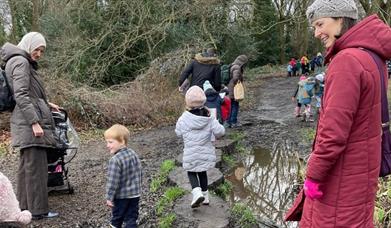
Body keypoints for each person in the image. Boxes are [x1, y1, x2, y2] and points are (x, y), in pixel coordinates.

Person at [286, 0, 391, 227]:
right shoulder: (372, 57)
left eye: (320, 24)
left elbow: (332, 134)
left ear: (340, 20)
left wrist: (313, 176)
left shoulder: (347, 61)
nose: (316, 33)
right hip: (361, 175)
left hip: (340, 179)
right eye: (314, 27)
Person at [0, 32, 60, 220]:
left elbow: (28, 93)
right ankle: (38, 211)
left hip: (25, 120)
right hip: (28, 123)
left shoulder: (18, 61)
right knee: (36, 170)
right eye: (37, 49)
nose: (39, 53)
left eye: (42, 51)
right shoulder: (21, 62)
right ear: (28, 45)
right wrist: (34, 122)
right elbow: (21, 94)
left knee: (27, 168)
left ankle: (24, 209)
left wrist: (46, 103)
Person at [175, 86, 225, 208]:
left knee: (191, 172)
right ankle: (205, 197)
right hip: (205, 152)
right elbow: (220, 132)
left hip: (191, 153)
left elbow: (178, 133)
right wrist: (214, 121)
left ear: (188, 102)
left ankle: (196, 193)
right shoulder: (209, 117)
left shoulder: (183, 118)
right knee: (202, 172)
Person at [104, 124, 142, 228]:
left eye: (110, 142)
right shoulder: (133, 154)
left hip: (121, 197)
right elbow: (139, 172)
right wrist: (138, 189)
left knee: (117, 219)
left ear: (122, 141)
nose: (107, 145)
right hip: (135, 195)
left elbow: (113, 182)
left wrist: (109, 197)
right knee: (131, 218)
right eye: (107, 142)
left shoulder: (115, 160)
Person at [227, 55, 248, 128]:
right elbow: (235, 78)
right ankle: (233, 122)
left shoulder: (232, 66)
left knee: (231, 105)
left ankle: (229, 122)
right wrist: (239, 79)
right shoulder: (236, 67)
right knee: (235, 105)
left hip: (230, 88)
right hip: (234, 89)